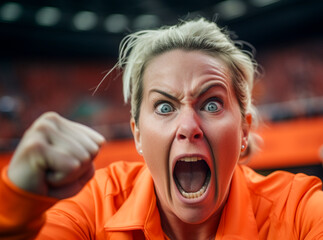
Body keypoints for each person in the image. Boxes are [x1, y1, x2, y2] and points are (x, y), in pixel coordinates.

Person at [0, 17, 322, 240]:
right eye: (165, 107)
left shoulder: (295, 210)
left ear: (244, 130)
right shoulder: (92, 206)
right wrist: (16, 203)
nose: (188, 127)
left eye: (211, 104)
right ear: (137, 134)